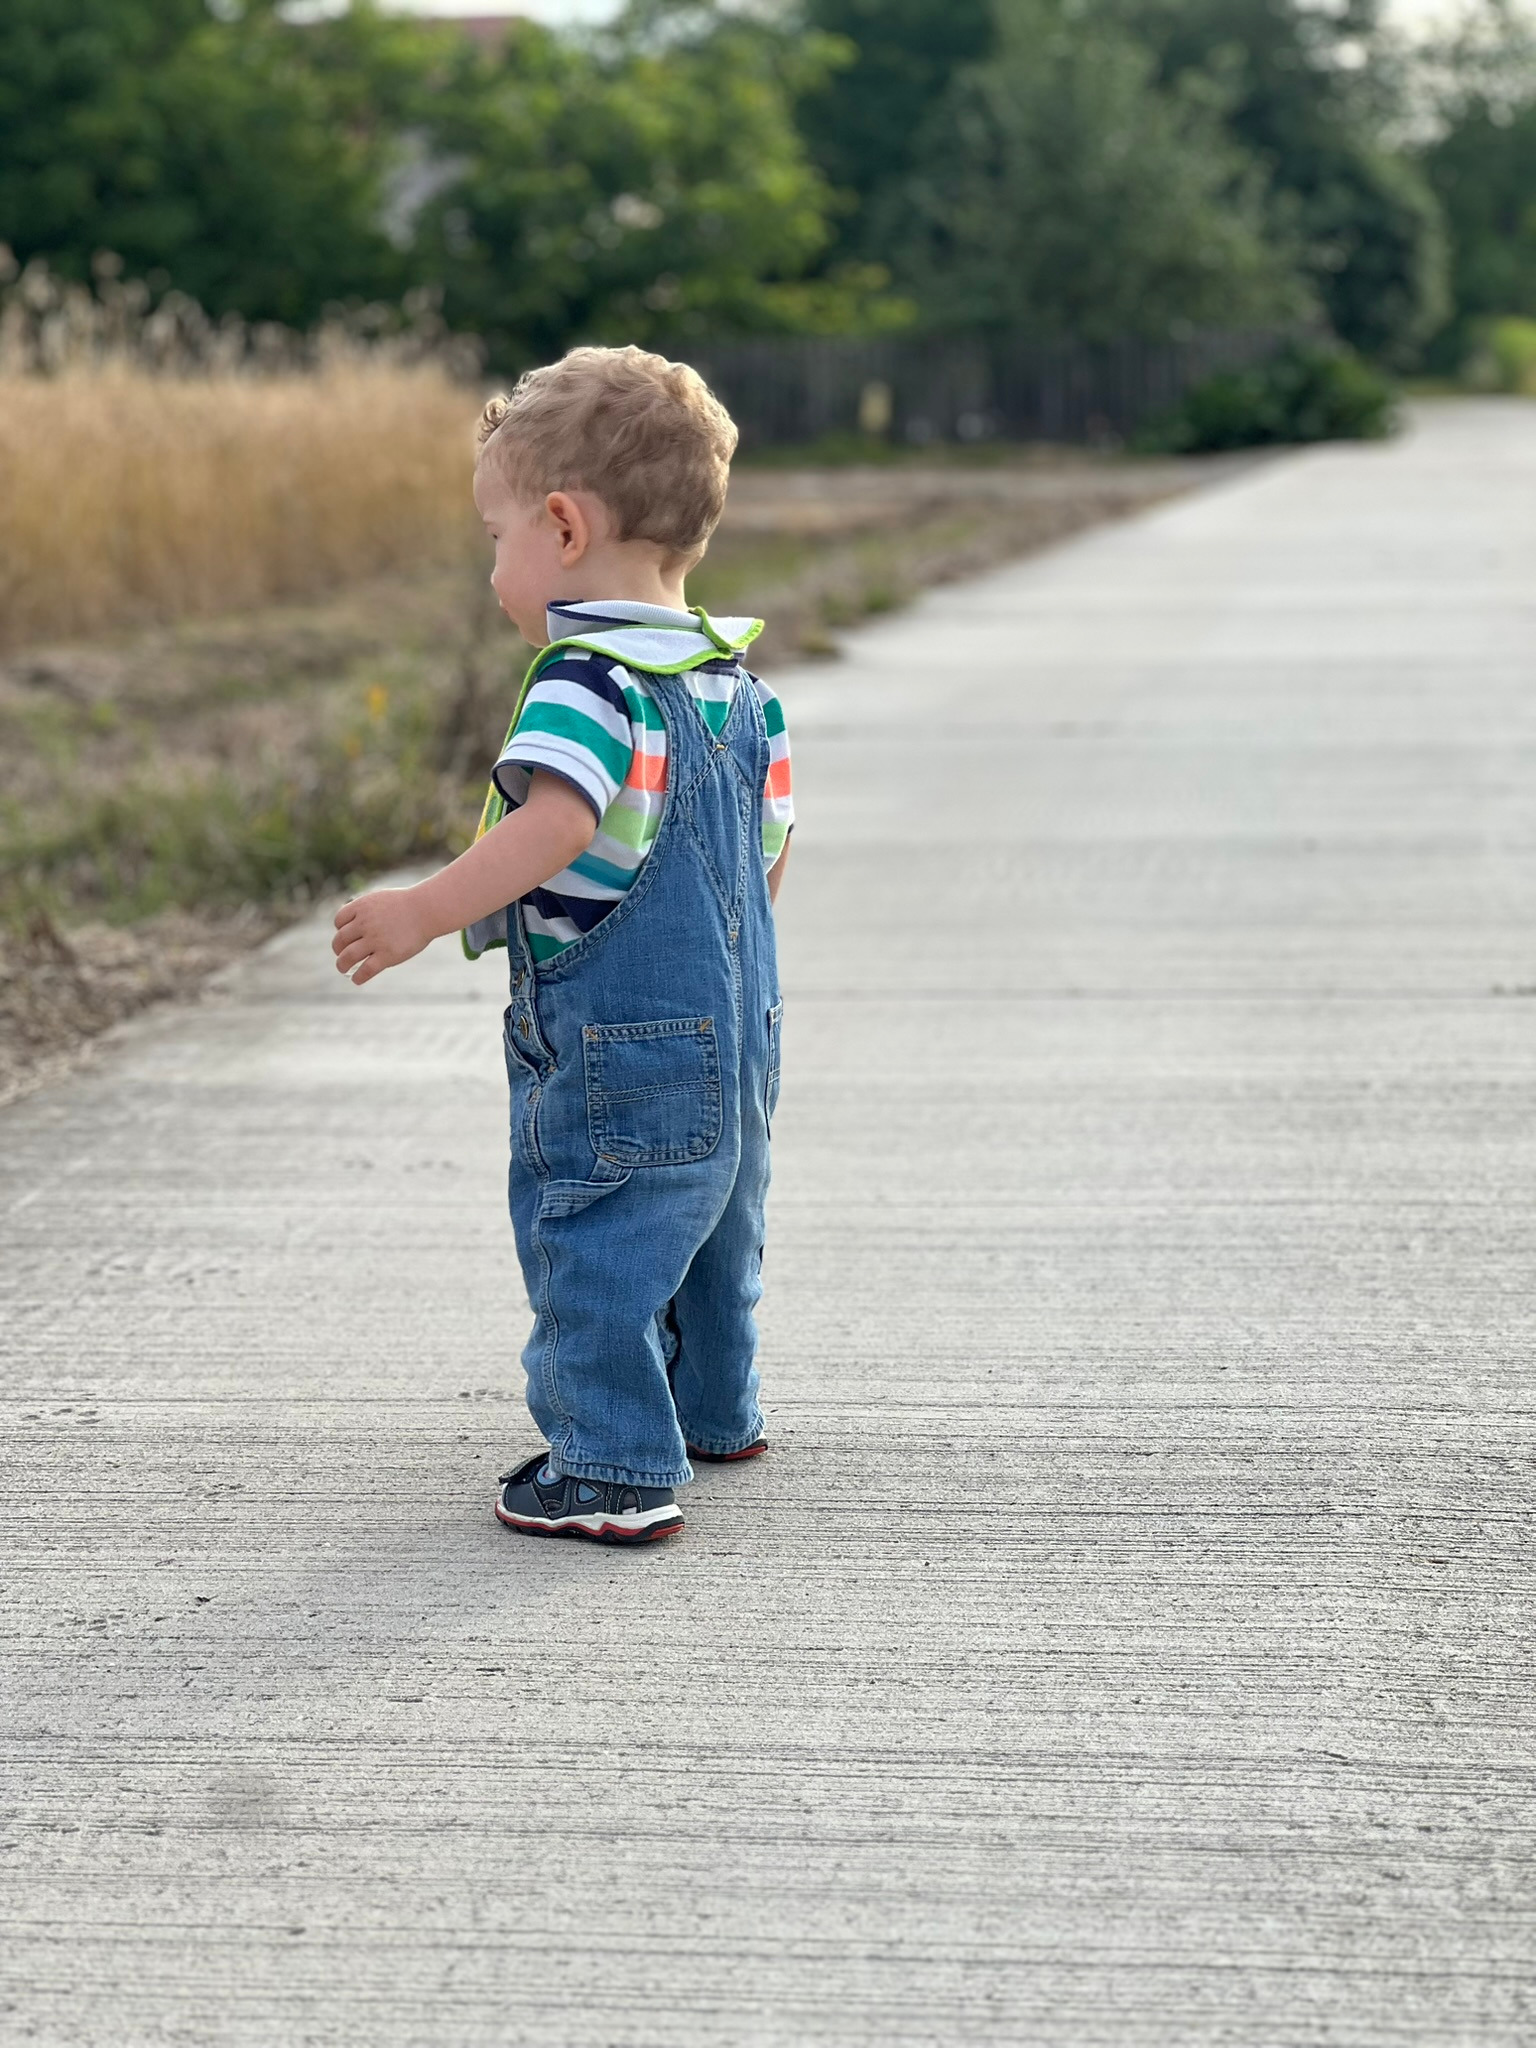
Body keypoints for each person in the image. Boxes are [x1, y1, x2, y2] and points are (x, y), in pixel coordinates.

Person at [331, 345, 792, 1546]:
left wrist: (428, 908)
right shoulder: (735, 684)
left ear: (564, 525)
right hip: (741, 1027)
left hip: (622, 1037)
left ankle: (609, 1462)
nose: (495, 567)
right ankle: (713, 1409)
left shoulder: (583, 679)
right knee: (712, 1220)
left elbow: (559, 819)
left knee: (594, 1230)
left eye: (496, 538)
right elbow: (770, 850)